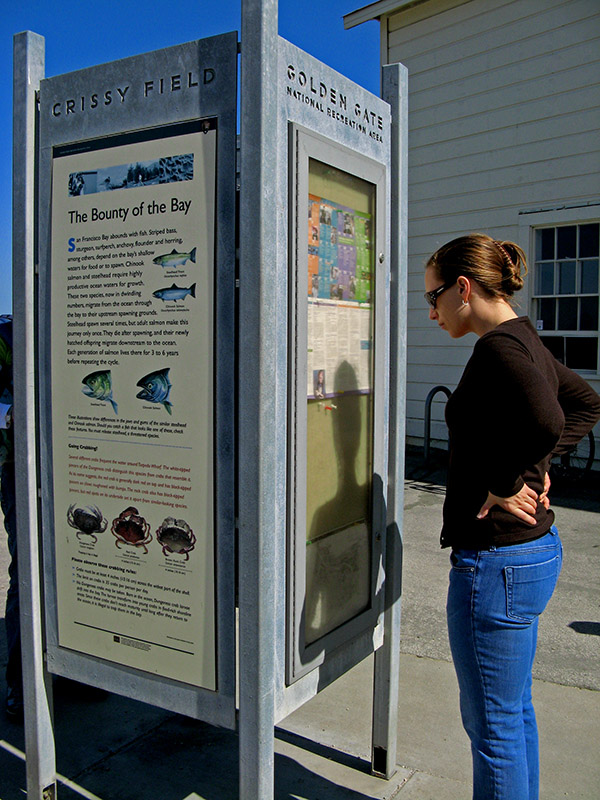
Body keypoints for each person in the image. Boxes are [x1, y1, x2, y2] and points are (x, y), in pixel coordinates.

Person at [424, 234, 600, 800]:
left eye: (433, 297)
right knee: (514, 714)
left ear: (464, 288)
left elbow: (549, 420)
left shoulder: (499, 349)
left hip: (495, 564)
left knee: (494, 730)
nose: (431, 312)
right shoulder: (525, 339)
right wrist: (536, 469)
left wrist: (510, 479)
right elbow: (586, 404)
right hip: (531, 554)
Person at [0, 314, 20, 719]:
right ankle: (21, 680)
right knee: (27, 574)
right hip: (18, 469)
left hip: (76, 468)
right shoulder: (4, 336)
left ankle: (78, 675)